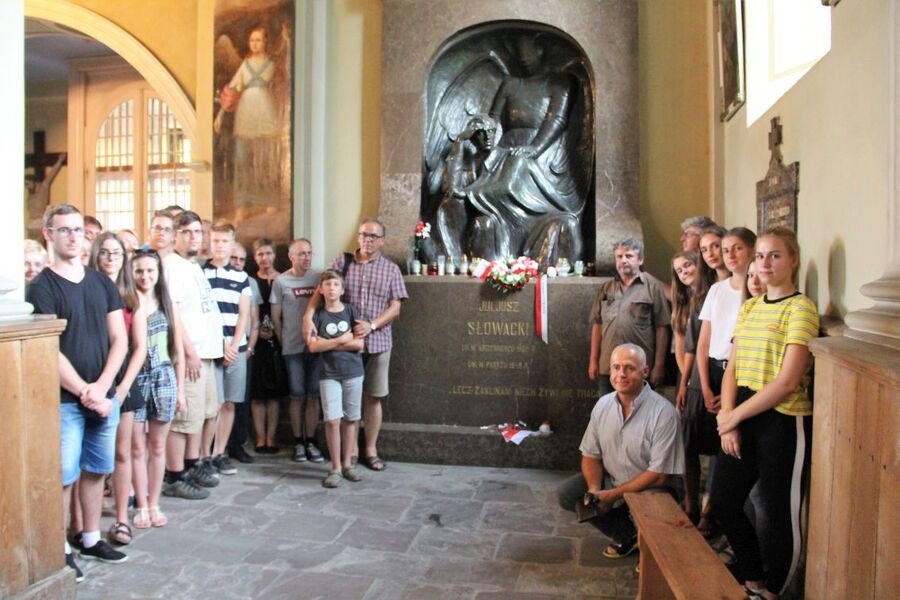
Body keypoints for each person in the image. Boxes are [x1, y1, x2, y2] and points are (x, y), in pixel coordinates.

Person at [712, 227, 818, 599]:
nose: (765, 263)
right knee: (724, 501)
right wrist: (728, 419)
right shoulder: (752, 306)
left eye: (775, 255)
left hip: (782, 418)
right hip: (741, 408)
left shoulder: (801, 308)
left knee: (777, 515)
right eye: (761, 256)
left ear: (793, 260)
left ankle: (774, 590)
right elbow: (733, 367)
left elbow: (788, 382)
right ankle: (753, 576)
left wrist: (734, 415)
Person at [27, 204, 129, 580]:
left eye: (77, 230)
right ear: (48, 235)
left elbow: (119, 339)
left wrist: (103, 388)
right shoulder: (40, 287)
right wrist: (86, 390)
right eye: (64, 230)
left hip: (105, 397)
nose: (73, 236)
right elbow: (48, 351)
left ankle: (88, 536)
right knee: (64, 475)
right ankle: (60, 548)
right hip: (66, 400)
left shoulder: (101, 282)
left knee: (96, 470)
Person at [557, 344, 684, 558]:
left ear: (645, 371)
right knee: (568, 494)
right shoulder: (603, 405)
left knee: (653, 504)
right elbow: (590, 455)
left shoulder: (664, 413)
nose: (621, 374)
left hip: (654, 487)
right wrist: (596, 491)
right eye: (616, 367)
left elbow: (660, 475)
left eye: (629, 368)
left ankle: (655, 549)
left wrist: (613, 495)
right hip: (614, 479)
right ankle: (630, 535)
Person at [302, 219, 408, 471]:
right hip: (343, 345)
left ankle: (370, 449)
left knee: (373, 397)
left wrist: (371, 325)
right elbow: (322, 287)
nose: (367, 240)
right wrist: (307, 316)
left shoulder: (390, 269)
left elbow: (396, 306)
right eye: (363, 235)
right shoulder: (342, 262)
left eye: (373, 236)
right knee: (344, 395)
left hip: (378, 342)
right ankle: (350, 451)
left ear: (382, 239)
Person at [695, 226, 756, 536]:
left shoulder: (757, 291)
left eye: (737, 249)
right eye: (726, 250)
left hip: (744, 374)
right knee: (717, 447)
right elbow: (704, 342)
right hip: (717, 373)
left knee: (735, 448)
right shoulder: (717, 290)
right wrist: (706, 386)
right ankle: (713, 510)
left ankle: (723, 515)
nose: (730, 256)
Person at [88, 233, 147, 546]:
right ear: (96, 256)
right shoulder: (86, 288)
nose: (111, 258)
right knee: (93, 456)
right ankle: (88, 524)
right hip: (94, 371)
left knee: (122, 452)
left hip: (123, 377)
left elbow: (140, 347)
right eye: (105, 252)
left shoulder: (130, 295)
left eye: (116, 253)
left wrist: (124, 387)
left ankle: (122, 518)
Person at [161, 211, 224, 499]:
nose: (193, 237)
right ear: (175, 235)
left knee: (200, 415)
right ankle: (174, 475)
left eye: (197, 232)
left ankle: (191, 464)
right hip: (191, 354)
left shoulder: (193, 265)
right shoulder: (172, 265)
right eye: (187, 232)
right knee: (183, 419)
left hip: (207, 353)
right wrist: (189, 352)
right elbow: (174, 313)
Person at [131, 248, 184, 529]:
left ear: (158, 273)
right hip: (137, 378)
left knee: (157, 446)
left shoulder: (167, 302)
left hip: (164, 377)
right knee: (137, 446)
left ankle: (154, 503)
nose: (145, 275)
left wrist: (182, 390)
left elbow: (177, 350)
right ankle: (140, 505)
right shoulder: (128, 302)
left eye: (150, 270)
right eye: (139, 270)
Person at [214, 24, 290, 214]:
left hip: (266, 109)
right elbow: (232, 89)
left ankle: (270, 200)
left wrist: (287, 40)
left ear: (265, 42)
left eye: (258, 40)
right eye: (252, 40)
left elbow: (286, 66)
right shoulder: (245, 65)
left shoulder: (273, 61)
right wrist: (220, 115)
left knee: (268, 157)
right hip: (246, 111)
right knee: (243, 158)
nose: (255, 44)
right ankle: (242, 204)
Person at [587, 238, 671, 396]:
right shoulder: (606, 289)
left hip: (639, 368)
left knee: (640, 415)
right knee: (609, 413)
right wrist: (593, 360)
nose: (623, 260)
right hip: (609, 366)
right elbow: (597, 325)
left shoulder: (652, 288)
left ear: (640, 259)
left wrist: (659, 365)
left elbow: (662, 328)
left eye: (629, 256)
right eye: (619, 256)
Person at [307, 270, 365, 488]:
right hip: (328, 374)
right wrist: (342, 339)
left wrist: (327, 341)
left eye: (336, 284)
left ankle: (348, 464)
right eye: (327, 284)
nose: (331, 288)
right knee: (332, 420)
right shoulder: (317, 315)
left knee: (351, 418)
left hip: (353, 371)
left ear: (342, 289)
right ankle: (335, 468)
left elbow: (359, 344)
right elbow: (313, 346)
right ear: (320, 289)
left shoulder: (351, 311)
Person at [670, 250, 716, 525]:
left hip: (710, 374)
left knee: (714, 445)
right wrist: (685, 379)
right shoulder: (683, 300)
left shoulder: (712, 295)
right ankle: (691, 504)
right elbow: (684, 345)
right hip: (690, 375)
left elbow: (700, 345)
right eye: (679, 269)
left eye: (688, 265)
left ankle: (710, 507)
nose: (684, 271)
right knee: (687, 442)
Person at [203, 222, 252, 475]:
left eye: (224, 241)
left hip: (236, 348)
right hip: (212, 348)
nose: (220, 245)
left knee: (230, 403)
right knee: (213, 404)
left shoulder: (241, 277)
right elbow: (204, 314)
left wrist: (233, 345)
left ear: (232, 244)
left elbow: (243, 315)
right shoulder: (201, 273)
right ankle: (204, 456)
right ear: (209, 242)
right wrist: (221, 344)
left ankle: (219, 452)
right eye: (216, 241)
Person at [271, 239, 323, 463]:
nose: (307, 257)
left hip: (316, 347)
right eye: (302, 254)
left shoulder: (319, 278)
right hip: (291, 347)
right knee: (296, 396)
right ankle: (297, 442)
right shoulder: (281, 281)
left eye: (309, 253)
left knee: (312, 396)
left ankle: (311, 440)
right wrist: (284, 342)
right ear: (291, 256)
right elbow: (275, 316)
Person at [248, 238, 285, 453]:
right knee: (258, 394)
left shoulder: (282, 280)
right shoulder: (251, 281)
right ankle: (260, 437)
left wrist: (272, 329)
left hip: (277, 340)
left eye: (268, 253)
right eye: (260, 254)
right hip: (256, 341)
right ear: (255, 258)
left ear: (274, 255)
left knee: (274, 393)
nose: (265, 258)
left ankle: (272, 437)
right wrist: (259, 330)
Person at [225, 242, 259, 464]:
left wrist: (249, 348)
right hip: (219, 348)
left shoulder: (250, 282)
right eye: (233, 258)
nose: (237, 263)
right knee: (220, 402)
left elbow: (254, 320)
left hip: (242, 349)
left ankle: (237, 445)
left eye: (241, 259)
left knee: (240, 401)